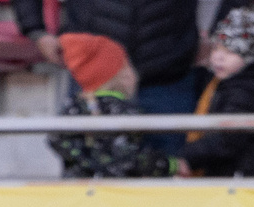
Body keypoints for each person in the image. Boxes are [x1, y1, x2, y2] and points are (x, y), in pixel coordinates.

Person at [16, 0, 202, 132]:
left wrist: (221, 39)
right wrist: (36, 30)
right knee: (86, 180)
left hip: (169, 76)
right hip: (92, 79)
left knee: (171, 180)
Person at [177, 8, 254, 179]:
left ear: (251, 58)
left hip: (242, 180)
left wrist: (189, 158)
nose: (218, 57)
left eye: (230, 52)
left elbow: (227, 139)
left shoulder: (247, 91)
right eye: (216, 49)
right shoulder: (225, 84)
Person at [49, 34, 171, 179]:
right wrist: (171, 165)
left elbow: (55, 138)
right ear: (125, 76)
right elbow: (134, 159)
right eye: (128, 65)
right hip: (117, 195)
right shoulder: (126, 112)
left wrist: (84, 160)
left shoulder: (73, 108)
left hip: (79, 193)